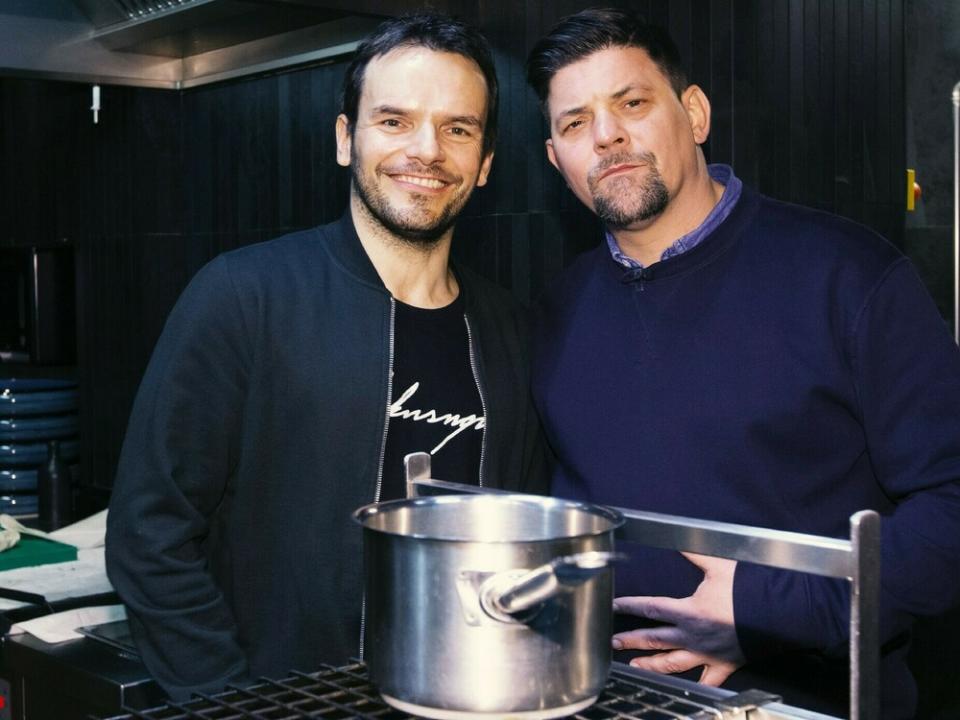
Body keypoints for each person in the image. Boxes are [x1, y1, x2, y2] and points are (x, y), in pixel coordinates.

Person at [526, 8, 960, 718]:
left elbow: (952, 502)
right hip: (604, 701)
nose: (606, 135)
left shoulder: (846, 275)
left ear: (694, 113)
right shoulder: (554, 313)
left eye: (632, 103)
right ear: (555, 159)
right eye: (575, 123)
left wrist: (771, 613)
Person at [106, 13, 546, 702]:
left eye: (458, 129)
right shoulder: (244, 297)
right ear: (347, 140)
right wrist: (234, 705)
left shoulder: (512, 333)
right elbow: (148, 532)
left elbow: (528, 546)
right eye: (394, 121)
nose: (426, 151)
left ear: (485, 163)